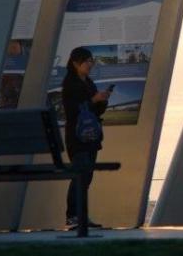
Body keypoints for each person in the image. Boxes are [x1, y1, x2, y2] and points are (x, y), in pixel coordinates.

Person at [61, 46, 110, 230]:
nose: (90, 64)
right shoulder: (70, 84)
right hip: (78, 137)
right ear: (75, 63)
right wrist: (93, 101)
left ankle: (81, 215)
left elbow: (95, 111)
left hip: (91, 137)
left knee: (87, 177)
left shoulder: (89, 83)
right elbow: (73, 111)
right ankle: (73, 215)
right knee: (79, 175)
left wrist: (102, 100)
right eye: (87, 61)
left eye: (91, 61)